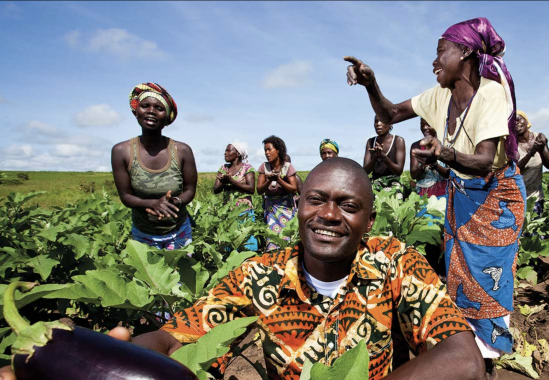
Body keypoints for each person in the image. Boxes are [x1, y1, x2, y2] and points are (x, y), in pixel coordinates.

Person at [0, 158, 490, 380]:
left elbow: (462, 357)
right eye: (316, 200)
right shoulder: (260, 275)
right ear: (298, 206)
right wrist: (101, 356)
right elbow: (178, 338)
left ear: (369, 217)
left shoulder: (395, 260)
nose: (329, 215)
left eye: (348, 205)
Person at [345, 17, 526, 370]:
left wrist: (444, 153)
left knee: (487, 280)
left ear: (466, 53)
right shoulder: (439, 96)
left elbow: (486, 161)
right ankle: (468, 353)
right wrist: (371, 84)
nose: (434, 62)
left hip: (495, 199)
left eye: (441, 52)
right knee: (458, 275)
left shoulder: (490, 93)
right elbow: (392, 112)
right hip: (462, 196)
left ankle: (486, 359)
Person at [110, 82, 197, 250]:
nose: (151, 111)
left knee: (180, 276)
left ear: (167, 117)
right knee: (147, 276)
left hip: (178, 232)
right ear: (136, 112)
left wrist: (175, 202)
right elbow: (126, 196)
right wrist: (153, 204)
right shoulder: (121, 151)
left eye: (159, 108)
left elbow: (190, 190)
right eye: (145, 106)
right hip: (143, 234)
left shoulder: (182, 150)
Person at [213, 141, 258, 251]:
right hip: (228, 211)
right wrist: (224, 182)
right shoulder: (223, 168)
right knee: (230, 239)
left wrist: (232, 182)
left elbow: (251, 189)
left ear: (237, 153)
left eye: (228, 150)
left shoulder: (247, 168)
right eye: (225, 151)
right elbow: (216, 190)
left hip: (244, 211)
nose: (225, 153)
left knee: (245, 238)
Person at [257, 135, 298, 250]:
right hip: (271, 209)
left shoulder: (287, 167)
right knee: (272, 239)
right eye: (265, 150)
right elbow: (259, 190)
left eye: (269, 149)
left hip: (286, 209)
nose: (267, 153)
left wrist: (279, 180)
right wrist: (269, 180)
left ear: (278, 150)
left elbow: (294, 189)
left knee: (288, 238)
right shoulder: (264, 167)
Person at [515, 110, 549, 215]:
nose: (516, 123)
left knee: (534, 229)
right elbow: (515, 169)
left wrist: (542, 148)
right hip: (517, 198)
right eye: (513, 122)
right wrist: (531, 153)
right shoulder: (512, 145)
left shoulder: (538, 138)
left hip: (536, 196)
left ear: (527, 122)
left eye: (519, 119)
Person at [364, 116, 406, 198]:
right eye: (376, 121)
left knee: (394, 204)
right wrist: (375, 158)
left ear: (390, 123)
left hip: (394, 183)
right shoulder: (371, 142)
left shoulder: (398, 140)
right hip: (375, 184)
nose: (378, 124)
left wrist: (383, 156)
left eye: (382, 121)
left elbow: (398, 171)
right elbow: (365, 171)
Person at [410, 118, 450, 200]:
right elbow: (413, 175)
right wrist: (423, 165)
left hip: (446, 193)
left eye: (428, 124)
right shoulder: (416, 146)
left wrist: (435, 165)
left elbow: (450, 174)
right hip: (424, 195)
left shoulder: (446, 144)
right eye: (422, 124)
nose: (424, 127)